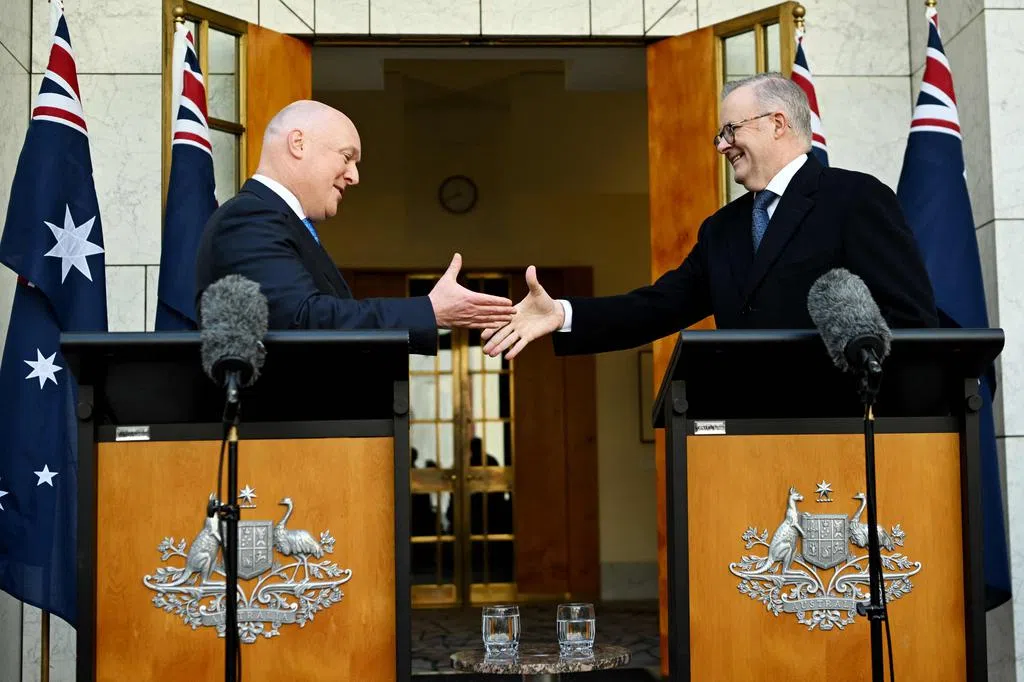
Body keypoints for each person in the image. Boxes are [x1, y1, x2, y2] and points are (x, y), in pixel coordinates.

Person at [482, 72, 939, 360]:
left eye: (731, 130)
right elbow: (657, 307)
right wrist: (562, 314)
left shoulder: (855, 198)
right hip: (742, 444)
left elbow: (911, 322)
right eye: (720, 135)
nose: (722, 145)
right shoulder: (723, 229)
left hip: (841, 433)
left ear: (778, 123)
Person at [194, 100, 515, 355]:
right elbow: (302, 320)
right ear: (298, 143)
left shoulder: (277, 219)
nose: (354, 176)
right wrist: (429, 311)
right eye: (347, 157)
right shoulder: (249, 218)